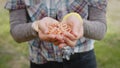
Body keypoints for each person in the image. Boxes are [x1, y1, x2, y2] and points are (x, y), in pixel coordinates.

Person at [5, 0, 107, 68]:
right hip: (41, 60)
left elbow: (101, 30)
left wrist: (81, 25)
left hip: (83, 60)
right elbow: (16, 32)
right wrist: (37, 26)